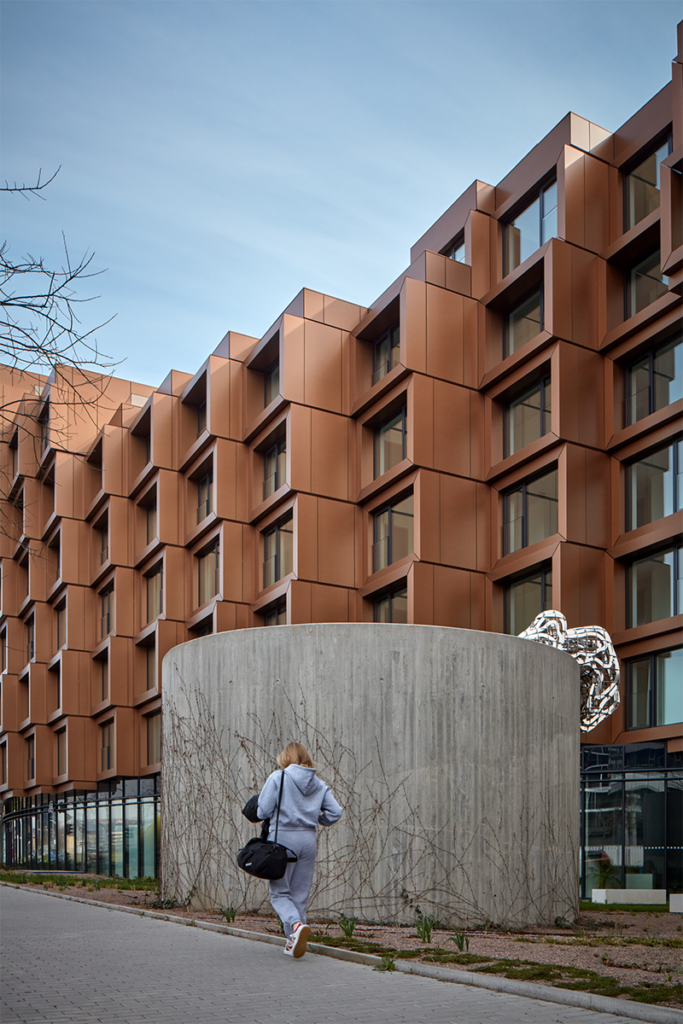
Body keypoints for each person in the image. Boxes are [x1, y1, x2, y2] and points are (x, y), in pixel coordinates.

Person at [256, 741, 342, 958]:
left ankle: (295, 927)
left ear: (286, 758)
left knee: (279, 893)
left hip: (284, 839)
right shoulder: (319, 784)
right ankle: (293, 940)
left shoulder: (278, 777)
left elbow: (263, 811)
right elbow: (335, 813)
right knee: (300, 894)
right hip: (308, 840)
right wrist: (314, 818)